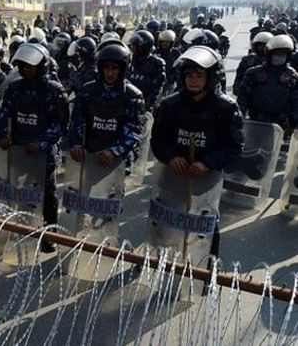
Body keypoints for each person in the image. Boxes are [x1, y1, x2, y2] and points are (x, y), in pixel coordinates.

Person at [151, 46, 244, 257]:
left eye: (199, 75)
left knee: (206, 227)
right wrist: (171, 157)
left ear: (211, 77)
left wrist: (207, 163)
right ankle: (159, 263)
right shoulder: (169, 105)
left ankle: (205, 273)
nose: (193, 80)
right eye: (189, 75)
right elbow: (158, 140)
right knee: (166, 221)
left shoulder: (225, 108)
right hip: (173, 177)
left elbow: (235, 146)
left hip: (206, 180)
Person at [0, 43, 66, 251]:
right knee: (19, 191)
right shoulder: (14, 88)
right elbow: (3, 114)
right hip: (19, 149)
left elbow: (60, 123)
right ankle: (21, 228)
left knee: (47, 193)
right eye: (24, 65)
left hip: (43, 152)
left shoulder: (53, 91)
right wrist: (1, 135)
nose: (28, 69)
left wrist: (42, 143)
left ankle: (49, 233)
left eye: (32, 66)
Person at [68, 40, 145, 174]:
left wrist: (114, 151)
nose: (110, 73)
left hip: (117, 158)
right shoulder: (88, 91)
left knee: (112, 194)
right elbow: (77, 121)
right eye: (106, 68)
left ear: (122, 69)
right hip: (89, 154)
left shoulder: (132, 95)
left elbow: (134, 129)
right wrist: (76, 144)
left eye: (114, 68)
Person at [237, 35, 298, 136]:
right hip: (254, 122)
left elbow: (296, 102)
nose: (280, 56)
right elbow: (242, 99)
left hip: (280, 126)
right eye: (276, 53)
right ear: (269, 54)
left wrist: (293, 124)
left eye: (283, 54)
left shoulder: (292, 76)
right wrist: (239, 119)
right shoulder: (254, 73)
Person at [127, 30, 166, 111]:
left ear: (142, 46)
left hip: (144, 108)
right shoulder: (128, 60)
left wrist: (145, 108)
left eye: (134, 45)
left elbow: (155, 92)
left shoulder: (156, 64)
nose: (132, 48)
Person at [233, 31, 273, 97]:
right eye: (261, 45)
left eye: (266, 46)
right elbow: (239, 80)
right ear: (256, 46)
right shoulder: (247, 60)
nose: (263, 48)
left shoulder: (276, 61)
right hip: (251, 97)